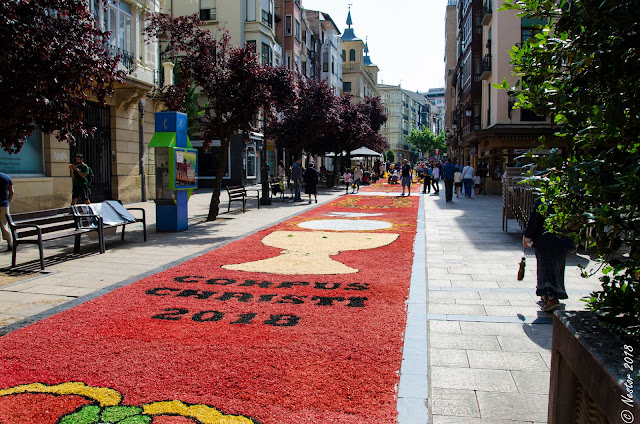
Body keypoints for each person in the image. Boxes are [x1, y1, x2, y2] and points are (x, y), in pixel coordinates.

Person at [523, 200, 574, 312]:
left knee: (546, 269)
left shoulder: (543, 201)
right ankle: (547, 294)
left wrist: (527, 237)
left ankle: (552, 297)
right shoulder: (567, 200)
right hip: (562, 241)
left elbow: (534, 221)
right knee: (557, 268)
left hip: (545, 240)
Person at [0, 172, 14, 252]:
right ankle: (9, 244)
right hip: (4, 205)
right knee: (5, 224)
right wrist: (8, 202)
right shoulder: (6, 177)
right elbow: (12, 192)